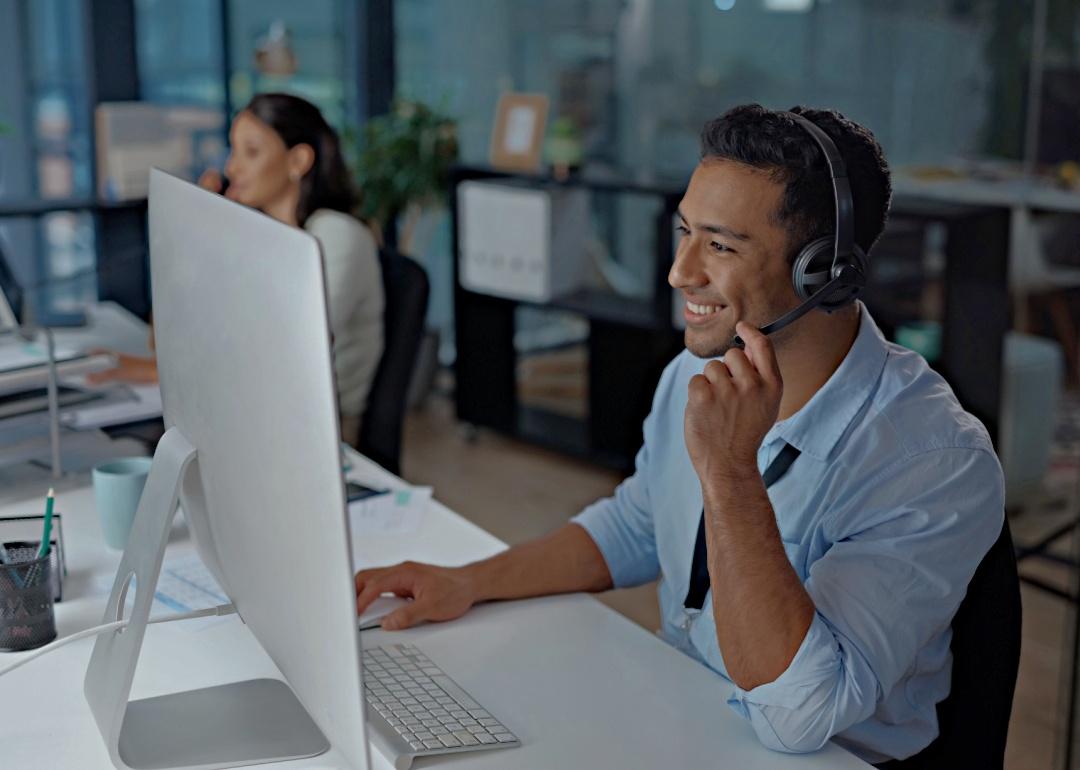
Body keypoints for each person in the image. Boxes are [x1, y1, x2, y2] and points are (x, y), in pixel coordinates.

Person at [353, 104, 1004, 765]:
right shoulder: (697, 373)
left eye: (720, 245)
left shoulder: (933, 456)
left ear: (823, 271)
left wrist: (730, 473)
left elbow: (800, 713)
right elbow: (640, 523)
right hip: (686, 712)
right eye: (684, 232)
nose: (679, 272)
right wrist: (470, 581)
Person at [90, 93, 384, 443]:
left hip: (320, 433)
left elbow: (280, 353)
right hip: (257, 414)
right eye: (232, 150)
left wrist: (159, 371)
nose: (231, 168)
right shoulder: (258, 240)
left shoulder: (337, 235)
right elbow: (165, 341)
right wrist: (195, 240)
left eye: (252, 152)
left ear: (298, 160)